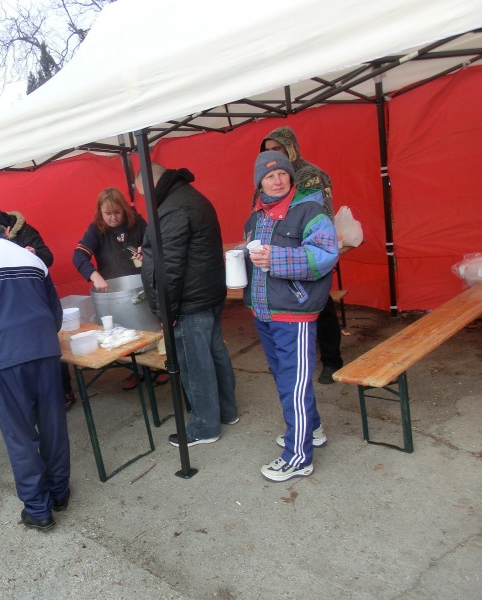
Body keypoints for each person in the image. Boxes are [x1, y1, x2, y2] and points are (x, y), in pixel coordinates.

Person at [0, 200, 71, 532]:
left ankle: (39, 509)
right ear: (7, 231)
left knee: (20, 437)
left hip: (5, 360)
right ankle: (59, 493)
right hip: (45, 353)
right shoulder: (32, 259)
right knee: (53, 428)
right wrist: (43, 339)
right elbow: (55, 312)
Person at [244, 151, 338, 482]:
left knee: (294, 384)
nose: (277, 179)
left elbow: (326, 255)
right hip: (264, 310)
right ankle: (311, 430)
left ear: (290, 177)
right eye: (269, 176)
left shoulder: (311, 211)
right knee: (286, 378)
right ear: (260, 183)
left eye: (282, 174)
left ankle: (298, 457)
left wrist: (277, 258)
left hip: (293, 313)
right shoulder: (255, 217)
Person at [137, 163, 239, 448]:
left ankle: (205, 426)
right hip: (208, 293)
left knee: (195, 363)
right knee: (214, 351)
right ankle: (227, 411)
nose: (145, 201)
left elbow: (168, 267)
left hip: (190, 300)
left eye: (145, 194)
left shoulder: (172, 208)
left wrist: (164, 309)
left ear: (153, 185)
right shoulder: (191, 196)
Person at [258, 126, 344, 384]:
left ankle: (331, 360)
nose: (272, 155)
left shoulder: (313, 175)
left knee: (321, 303)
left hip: (306, 247)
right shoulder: (267, 175)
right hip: (276, 252)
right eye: (267, 151)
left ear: (290, 147)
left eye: (277, 149)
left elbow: (322, 215)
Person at [0, 196, 76, 410]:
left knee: (48, 344)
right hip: (7, 306)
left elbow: (48, 257)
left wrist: (34, 253)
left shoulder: (24, 231)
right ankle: (34, 399)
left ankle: (64, 391)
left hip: (33, 297)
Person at [73, 187, 163, 390]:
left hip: (142, 285)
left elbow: (154, 247)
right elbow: (78, 256)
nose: (113, 218)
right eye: (108, 214)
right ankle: (137, 370)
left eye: (117, 212)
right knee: (123, 332)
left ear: (124, 209)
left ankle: (158, 368)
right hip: (114, 292)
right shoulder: (96, 229)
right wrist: (94, 275)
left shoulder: (137, 222)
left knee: (150, 326)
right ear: (100, 212)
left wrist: (145, 254)